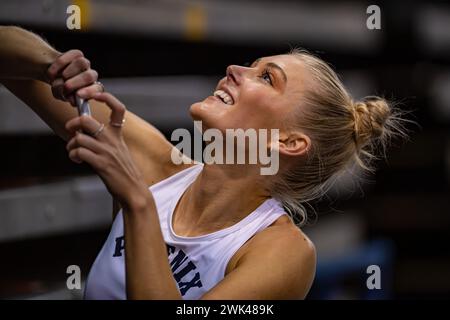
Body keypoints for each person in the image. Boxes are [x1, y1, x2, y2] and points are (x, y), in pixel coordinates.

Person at [0, 26, 404, 300]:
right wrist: (51, 62)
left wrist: (138, 204)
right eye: (253, 64)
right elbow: (9, 57)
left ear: (290, 141)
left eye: (267, 78)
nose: (235, 69)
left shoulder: (283, 252)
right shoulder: (157, 165)